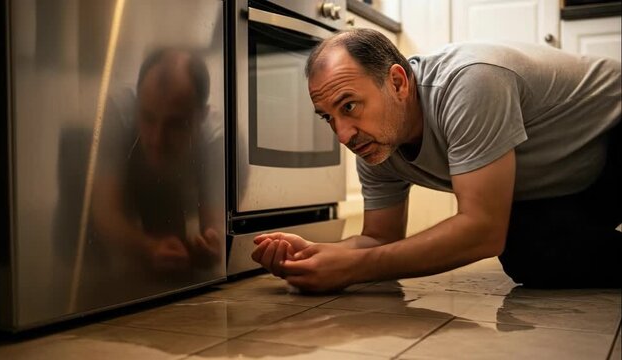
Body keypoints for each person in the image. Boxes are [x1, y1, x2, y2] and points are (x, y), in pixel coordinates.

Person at [251, 28, 621, 292]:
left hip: (613, 131)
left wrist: (353, 268)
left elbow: (481, 231)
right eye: (328, 117)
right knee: (528, 255)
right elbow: (379, 238)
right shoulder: (375, 143)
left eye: (349, 106)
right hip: (574, 179)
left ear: (397, 83)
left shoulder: (470, 81)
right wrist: (318, 256)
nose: (343, 135)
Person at [91, 47, 223, 283]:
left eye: (175, 124)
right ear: (137, 103)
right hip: (98, 262)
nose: (156, 139)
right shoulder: (117, 116)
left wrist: (211, 248)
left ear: (201, 116)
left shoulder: (215, 138)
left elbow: (214, 230)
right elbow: (105, 212)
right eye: (148, 118)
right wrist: (147, 247)